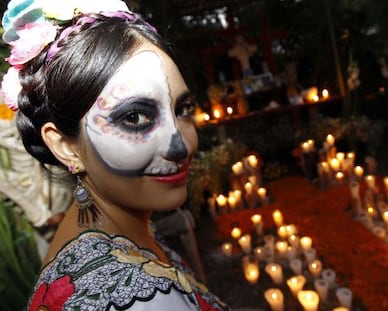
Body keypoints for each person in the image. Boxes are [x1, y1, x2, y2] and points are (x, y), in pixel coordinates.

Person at [1, 0, 228, 310]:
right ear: (65, 145)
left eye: (182, 109)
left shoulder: (112, 237)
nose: (181, 145)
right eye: (134, 117)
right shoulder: (140, 299)